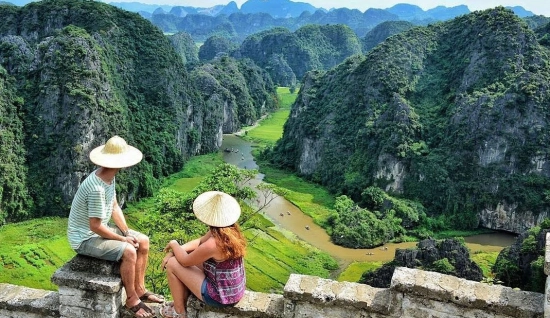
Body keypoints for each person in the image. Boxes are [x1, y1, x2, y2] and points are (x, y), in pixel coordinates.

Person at [67, 136, 164, 318]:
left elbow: (114, 207)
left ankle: (140, 288)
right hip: (84, 238)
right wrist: (123, 239)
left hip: (98, 230)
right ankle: (132, 299)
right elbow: (95, 226)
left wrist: (127, 232)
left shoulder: (108, 178)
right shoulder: (97, 188)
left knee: (143, 241)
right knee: (129, 251)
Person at [160, 191, 247, 318]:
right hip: (233, 291)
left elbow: (184, 261)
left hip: (219, 297)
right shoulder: (229, 231)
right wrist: (174, 252)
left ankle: (179, 312)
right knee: (185, 255)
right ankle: (183, 301)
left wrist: (174, 244)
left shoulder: (214, 243)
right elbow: (200, 241)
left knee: (173, 264)